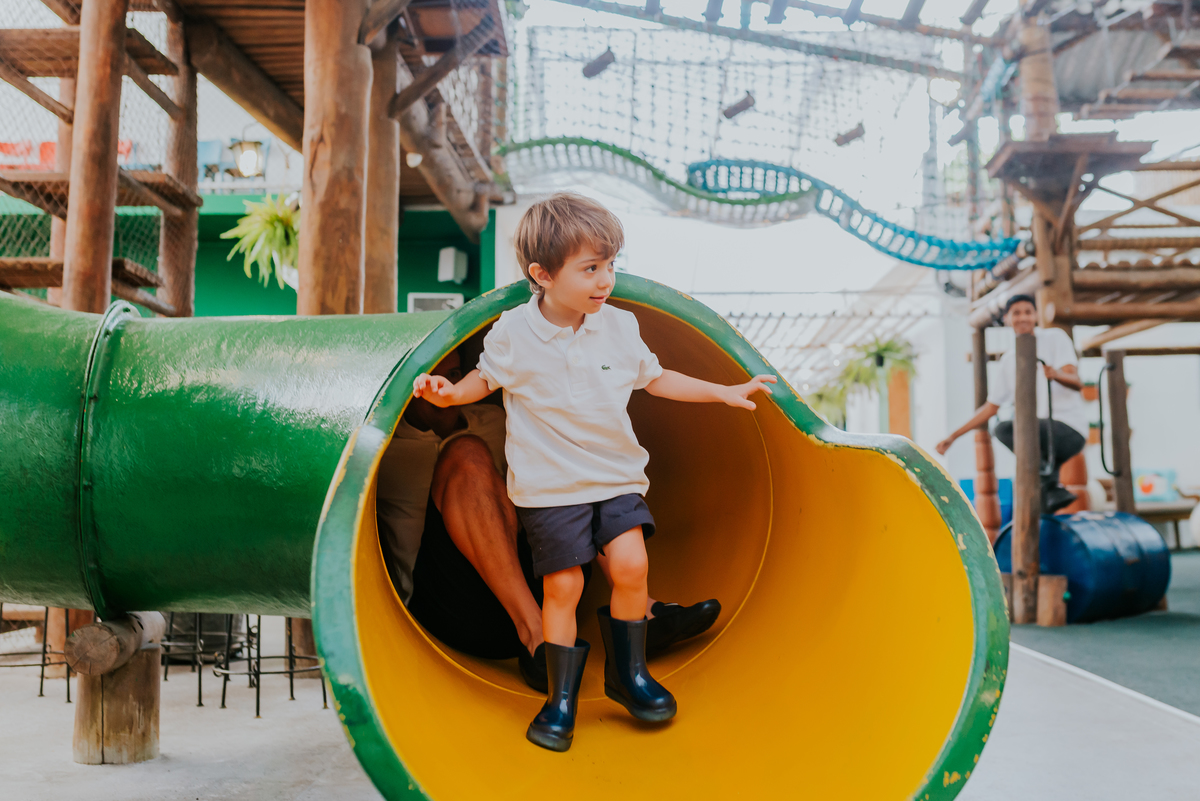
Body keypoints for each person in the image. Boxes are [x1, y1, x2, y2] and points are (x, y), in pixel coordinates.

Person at [412, 193, 777, 752]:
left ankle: (628, 676)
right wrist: (447, 392)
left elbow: (656, 379)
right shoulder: (512, 332)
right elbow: (482, 383)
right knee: (565, 585)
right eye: (590, 268)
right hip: (551, 487)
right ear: (542, 274)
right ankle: (559, 698)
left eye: (610, 264)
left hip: (615, 477)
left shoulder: (620, 326)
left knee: (631, 565)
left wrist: (723, 391)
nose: (606, 279)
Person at [377, 348, 722, 690]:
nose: (442, 385)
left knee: (565, 443)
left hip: (544, 589)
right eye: (432, 378)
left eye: (452, 374)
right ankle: (536, 637)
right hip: (451, 607)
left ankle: (637, 614)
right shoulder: (385, 448)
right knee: (465, 452)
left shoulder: (495, 420)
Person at [936, 294, 1087, 514]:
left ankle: (1049, 486)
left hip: (1067, 430)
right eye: (1016, 313)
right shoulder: (1009, 360)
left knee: (1025, 429)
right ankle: (1049, 490)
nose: (1023, 317)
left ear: (1036, 316)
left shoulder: (1055, 338)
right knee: (1003, 428)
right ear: (1007, 318)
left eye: (1028, 311)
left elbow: (1076, 381)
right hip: (1038, 436)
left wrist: (1056, 374)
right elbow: (990, 408)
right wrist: (952, 437)